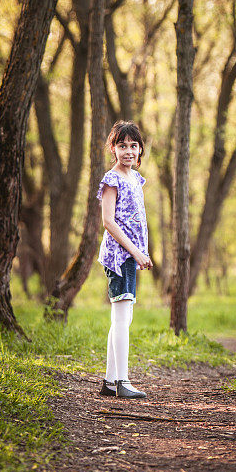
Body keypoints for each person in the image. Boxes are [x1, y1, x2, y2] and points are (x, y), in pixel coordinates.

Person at [97, 120, 152, 399]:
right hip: (119, 257)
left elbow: (137, 221)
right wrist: (136, 252)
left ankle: (109, 381)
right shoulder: (113, 179)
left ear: (140, 149)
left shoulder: (135, 178)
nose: (128, 151)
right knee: (121, 317)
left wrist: (143, 253)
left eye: (133, 145)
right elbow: (108, 221)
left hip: (131, 256)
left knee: (123, 318)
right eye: (122, 145)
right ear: (113, 148)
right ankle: (122, 381)